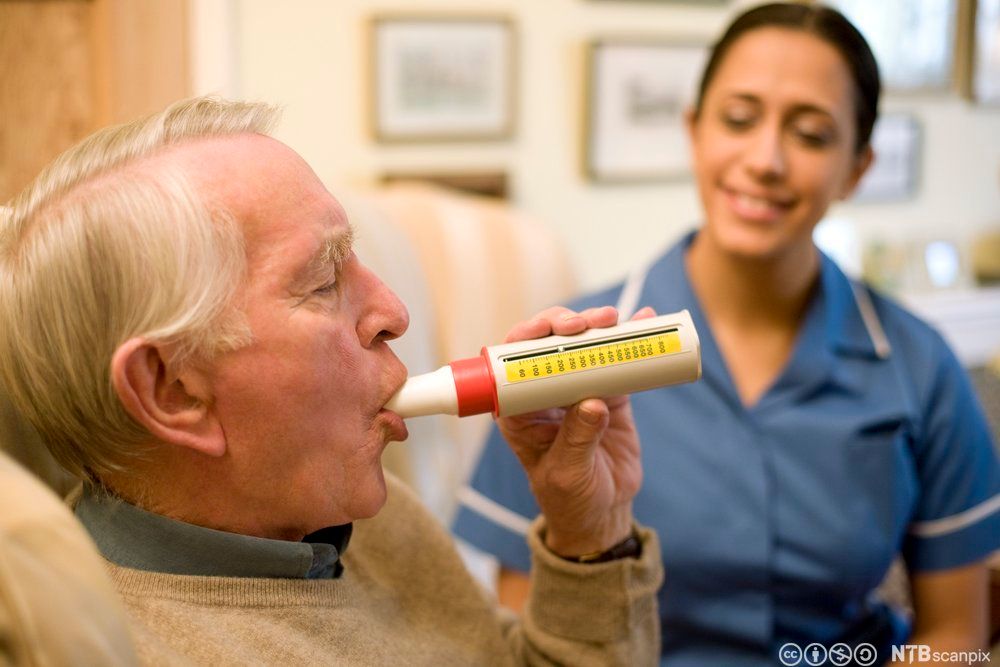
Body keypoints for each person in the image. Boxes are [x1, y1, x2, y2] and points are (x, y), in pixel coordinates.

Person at [0, 97, 664, 665]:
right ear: (172, 389)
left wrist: (590, 537)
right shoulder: (106, 644)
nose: (395, 312)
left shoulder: (350, 509)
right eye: (324, 280)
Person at [453, 3, 1000, 665]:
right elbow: (532, 632)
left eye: (812, 133)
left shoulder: (921, 367)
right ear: (694, 131)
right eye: (739, 119)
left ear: (857, 166)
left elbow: (956, 636)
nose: (765, 159)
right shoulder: (566, 363)